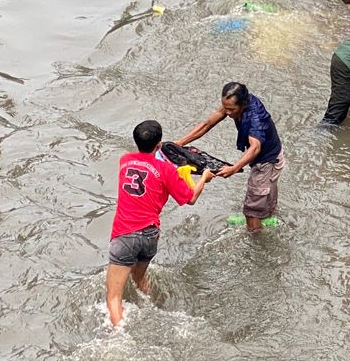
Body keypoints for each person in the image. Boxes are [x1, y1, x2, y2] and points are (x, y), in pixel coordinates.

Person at [106, 119, 212, 326]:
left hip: (125, 234)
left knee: (113, 297)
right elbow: (190, 198)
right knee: (139, 279)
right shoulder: (166, 170)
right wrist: (204, 179)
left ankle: (118, 338)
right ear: (159, 143)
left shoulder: (124, 160)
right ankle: (154, 307)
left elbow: (148, 163)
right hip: (150, 236)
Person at [174, 82, 282, 233]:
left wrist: (234, 168)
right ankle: (266, 221)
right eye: (225, 107)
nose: (228, 113)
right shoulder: (235, 103)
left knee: (251, 211)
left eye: (232, 109)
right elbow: (207, 124)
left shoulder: (255, 118)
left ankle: (256, 240)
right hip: (272, 156)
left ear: (244, 104)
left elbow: (255, 147)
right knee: (263, 199)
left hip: (266, 163)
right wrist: (178, 143)